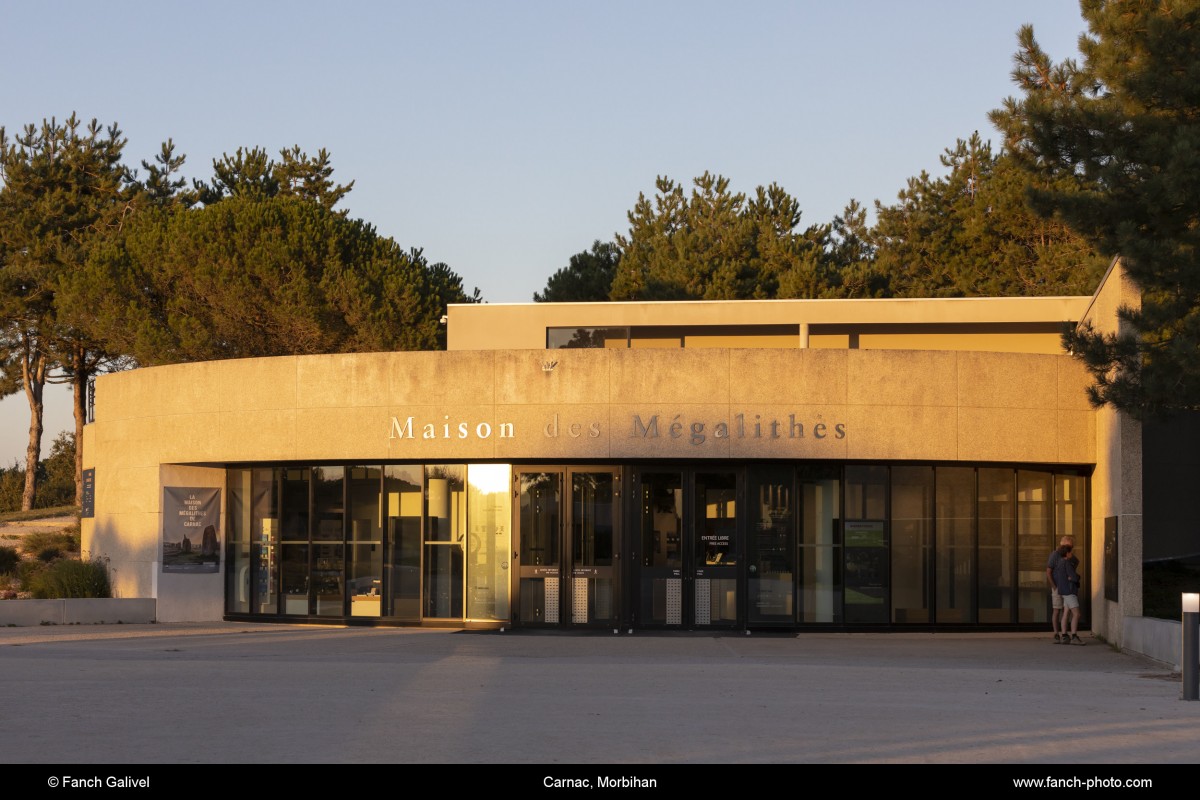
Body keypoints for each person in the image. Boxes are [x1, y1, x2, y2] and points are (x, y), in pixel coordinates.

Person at [1052, 542, 1085, 645]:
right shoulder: (1067, 563)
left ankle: (1064, 636)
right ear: (1067, 553)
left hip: (1063, 591)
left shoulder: (1059, 563)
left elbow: (1063, 577)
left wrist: (1071, 577)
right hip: (1070, 591)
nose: (1072, 554)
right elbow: (1074, 577)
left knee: (1066, 613)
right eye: (1071, 552)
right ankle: (1074, 636)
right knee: (1076, 614)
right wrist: (1076, 577)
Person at [1046, 535, 1074, 643]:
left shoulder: (1069, 555)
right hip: (1057, 586)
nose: (1070, 548)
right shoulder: (1055, 555)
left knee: (1066, 610)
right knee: (1057, 610)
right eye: (1068, 546)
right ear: (1062, 545)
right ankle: (1056, 633)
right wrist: (1054, 586)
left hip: (1067, 587)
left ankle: (1064, 633)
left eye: (1071, 547)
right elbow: (1048, 571)